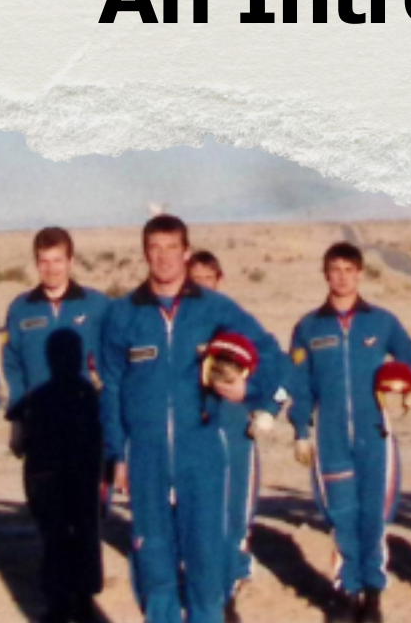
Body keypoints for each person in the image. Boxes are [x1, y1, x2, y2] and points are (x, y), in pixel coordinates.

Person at [99, 214, 284, 623]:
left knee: (205, 560)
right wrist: (119, 455)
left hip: (201, 453)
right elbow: (111, 390)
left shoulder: (215, 308)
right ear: (145, 252)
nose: (163, 258)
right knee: (154, 562)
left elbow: (276, 360)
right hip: (145, 458)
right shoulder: (122, 314)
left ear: (186, 252)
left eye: (171, 248)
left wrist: (250, 394)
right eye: (155, 248)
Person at [287, 242, 411, 623]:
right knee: (341, 517)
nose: (342, 276)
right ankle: (347, 593)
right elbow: (298, 384)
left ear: (361, 273)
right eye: (335, 269)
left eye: (349, 269)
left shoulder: (381, 321)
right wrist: (301, 430)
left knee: (373, 517)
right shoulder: (308, 327)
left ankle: (373, 594)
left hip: (374, 435)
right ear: (325, 274)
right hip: (330, 436)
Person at [2, 227, 114, 623]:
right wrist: (17, 416)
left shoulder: (97, 306)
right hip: (41, 432)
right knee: (48, 518)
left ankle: (83, 601)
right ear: (36, 262)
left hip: (86, 431)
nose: (51, 269)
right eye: (44, 261)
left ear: (71, 260)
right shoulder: (21, 309)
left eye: (58, 260)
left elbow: (112, 360)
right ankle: (55, 600)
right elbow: (13, 364)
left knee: (84, 519)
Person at [188, 247, 284, 623]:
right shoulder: (176, 325)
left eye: (208, 281)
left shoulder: (234, 322)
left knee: (231, 520)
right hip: (189, 436)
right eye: (194, 282)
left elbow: (280, 366)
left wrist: (262, 403)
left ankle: (226, 596)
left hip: (232, 433)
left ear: (220, 281)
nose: (202, 289)